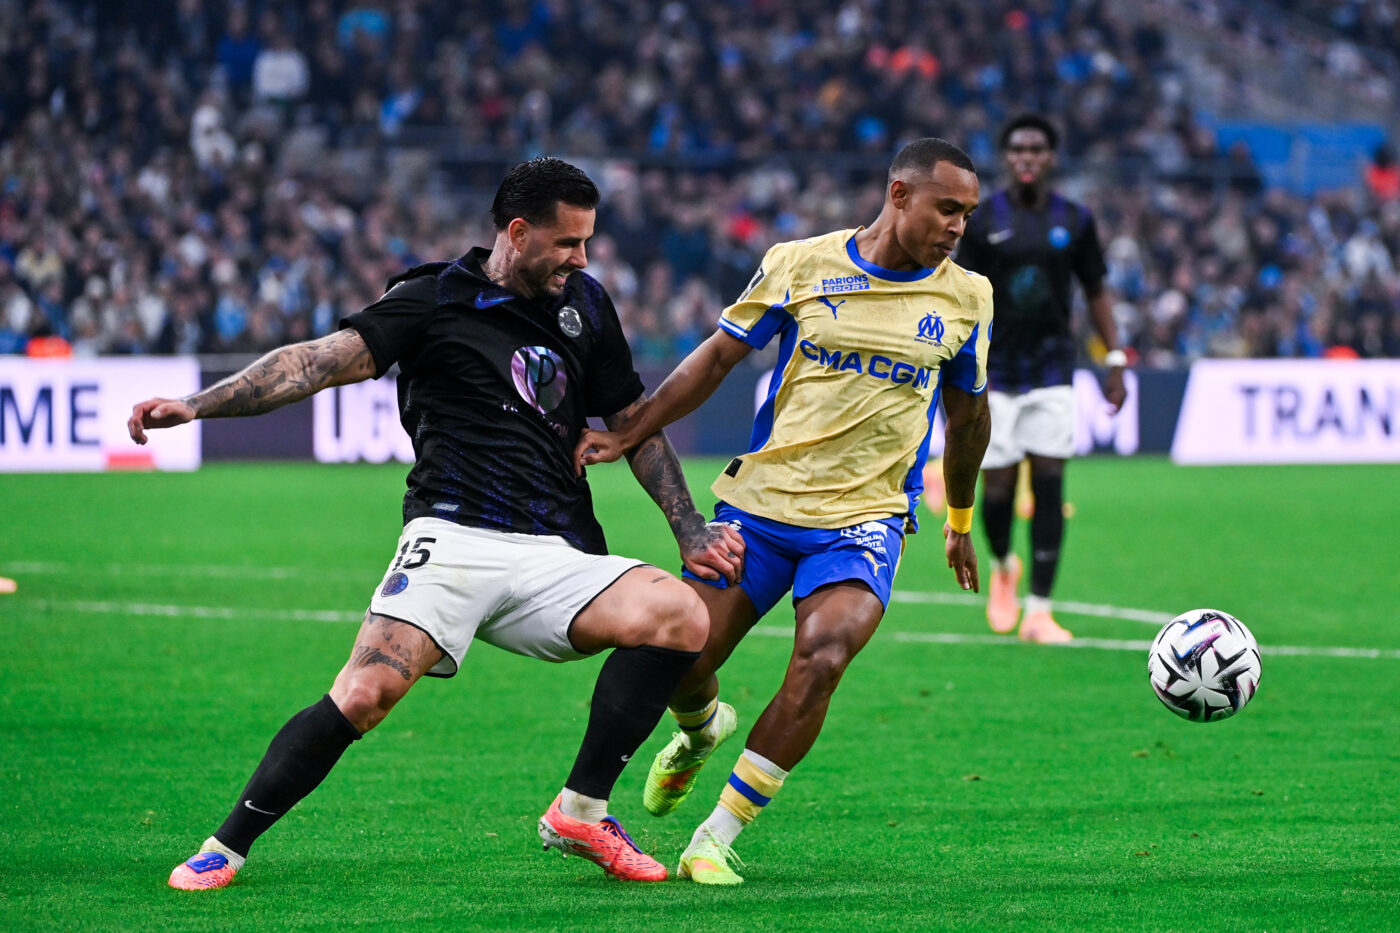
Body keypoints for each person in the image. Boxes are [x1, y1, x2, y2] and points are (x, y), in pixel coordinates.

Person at [128, 157, 745, 888]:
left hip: (553, 548)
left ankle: (581, 810)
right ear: (518, 232)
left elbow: (633, 423)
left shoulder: (585, 305)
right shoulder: (432, 298)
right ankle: (225, 845)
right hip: (450, 536)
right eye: (567, 243)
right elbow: (316, 363)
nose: (582, 259)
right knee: (365, 694)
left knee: (679, 613)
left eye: (587, 242)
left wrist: (688, 528)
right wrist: (198, 405)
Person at [574, 138, 991, 884]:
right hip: (761, 506)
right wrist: (631, 431)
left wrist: (959, 520)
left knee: (824, 655)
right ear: (899, 195)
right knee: (684, 657)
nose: (958, 226)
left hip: (866, 518)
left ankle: (716, 835)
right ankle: (701, 729)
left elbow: (968, 419)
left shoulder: (968, 297)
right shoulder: (801, 263)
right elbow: (718, 356)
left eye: (968, 213)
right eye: (947, 208)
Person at [949, 113, 1126, 644]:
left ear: (1051, 158)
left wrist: (1115, 358)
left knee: (1050, 483)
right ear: (1007, 158)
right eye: (1018, 149)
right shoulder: (982, 218)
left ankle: (1041, 611)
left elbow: (1096, 289)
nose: (1027, 158)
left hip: (1053, 367)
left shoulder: (1075, 218)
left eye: (1036, 149)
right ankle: (1004, 564)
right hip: (994, 369)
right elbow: (958, 290)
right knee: (997, 489)